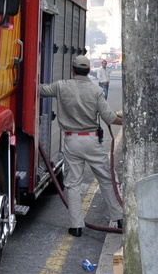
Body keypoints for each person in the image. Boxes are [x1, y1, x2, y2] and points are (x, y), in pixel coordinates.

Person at [39, 55, 123, 237]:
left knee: (73, 184)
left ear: (73, 70)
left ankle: (76, 226)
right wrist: (127, 120)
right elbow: (109, 118)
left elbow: (40, 90)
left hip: (71, 140)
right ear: (89, 70)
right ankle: (119, 218)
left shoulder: (61, 86)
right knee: (107, 179)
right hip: (92, 140)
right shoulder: (96, 90)